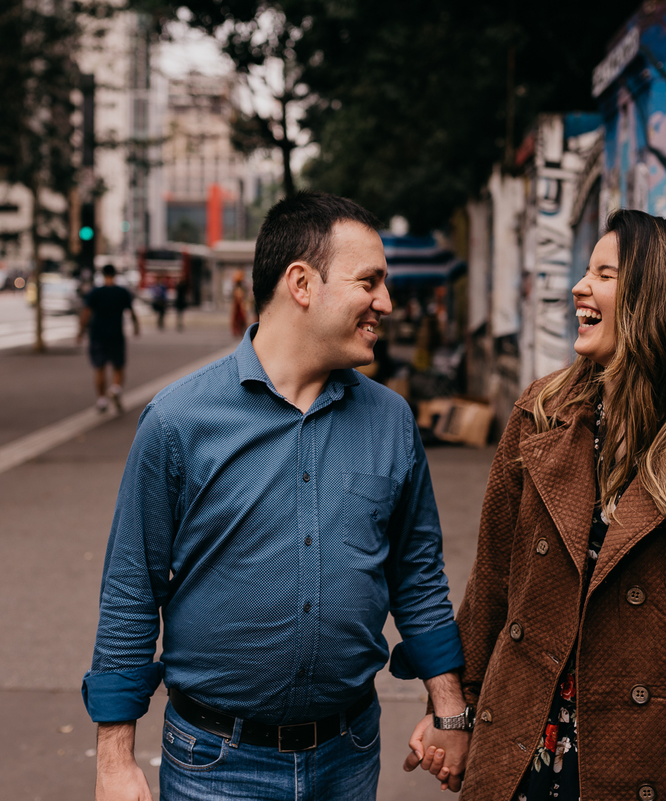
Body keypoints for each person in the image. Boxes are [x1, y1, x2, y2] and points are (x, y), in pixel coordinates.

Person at [85, 192, 468, 801]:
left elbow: (417, 576)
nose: (386, 304)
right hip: (216, 764)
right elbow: (133, 587)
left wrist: (451, 711)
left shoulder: (392, 421)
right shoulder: (179, 421)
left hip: (349, 755)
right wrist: (114, 758)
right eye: (369, 282)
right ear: (301, 284)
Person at [435, 210, 666, 800]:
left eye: (605, 274)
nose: (580, 287)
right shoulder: (540, 415)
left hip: (643, 763)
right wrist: (456, 713)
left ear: (658, 298)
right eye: (585, 270)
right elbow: (494, 582)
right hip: (520, 752)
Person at [77, 264, 139, 414]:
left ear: (103, 275)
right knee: (119, 366)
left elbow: (86, 312)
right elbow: (131, 311)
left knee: (99, 367)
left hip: (97, 334)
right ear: (115, 274)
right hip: (116, 334)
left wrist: (80, 331)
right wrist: (136, 326)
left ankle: (102, 400)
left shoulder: (95, 292)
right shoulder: (122, 292)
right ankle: (116, 388)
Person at [229, 269, 249, 338]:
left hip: (240, 305)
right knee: (237, 319)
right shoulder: (236, 288)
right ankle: (238, 330)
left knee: (241, 318)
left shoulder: (241, 288)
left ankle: (241, 330)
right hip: (237, 305)